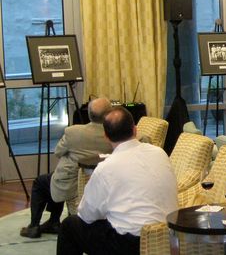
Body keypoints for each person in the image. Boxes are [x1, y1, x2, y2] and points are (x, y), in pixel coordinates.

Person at [57, 107, 177, 254]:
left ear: (106, 136)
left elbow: (87, 215)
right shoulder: (159, 153)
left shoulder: (106, 168)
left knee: (70, 226)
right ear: (135, 130)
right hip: (166, 236)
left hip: (131, 244)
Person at [19, 97, 113, 239]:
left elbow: (58, 152)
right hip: (102, 180)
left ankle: (34, 226)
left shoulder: (73, 132)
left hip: (72, 181)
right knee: (52, 178)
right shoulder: (116, 133)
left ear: (89, 114)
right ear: (109, 114)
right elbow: (142, 139)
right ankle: (53, 221)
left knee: (41, 182)